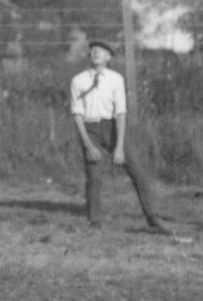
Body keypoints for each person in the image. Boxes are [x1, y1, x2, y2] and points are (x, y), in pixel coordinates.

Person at [71, 39, 169, 234]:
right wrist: (88, 145)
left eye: (101, 50)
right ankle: (94, 221)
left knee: (138, 173)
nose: (96, 53)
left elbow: (121, 113)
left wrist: (119, 146)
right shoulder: (78, 80)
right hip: (90, 130)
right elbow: (77, 115)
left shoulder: (116, 79)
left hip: (114, 128)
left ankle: (152, 217)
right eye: (93, 51)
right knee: (94, 177)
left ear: (108, 57)